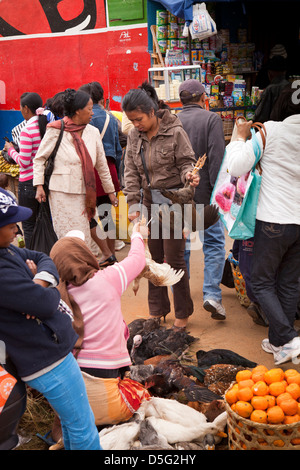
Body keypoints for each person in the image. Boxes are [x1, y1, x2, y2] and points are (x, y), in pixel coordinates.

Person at [0, 188, 101, 450]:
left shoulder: (7, 251)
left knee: (72, 423)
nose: (17, 229)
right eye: (10, 224)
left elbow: (43, 257)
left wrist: (38, 280)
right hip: (46, 360)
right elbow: (47, 303)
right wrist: (44, 288)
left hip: (48, 351)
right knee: (82, 425)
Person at [226, 83, 300, 365]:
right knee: (289, 281)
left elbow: (236, 167)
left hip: (274, 220)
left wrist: (238, 138)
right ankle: (280, 342)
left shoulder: (269, 131)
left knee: (260, 280)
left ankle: (288, 337)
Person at [50, 224, 151, 427]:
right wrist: (138, 235)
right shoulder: (107, 279)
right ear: (86, 255)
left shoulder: (55, 295)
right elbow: (138, 260)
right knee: (142, 395)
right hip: (105, 372)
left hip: (70, 374)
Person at [122, 86, 199, 330]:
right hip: (147, 201)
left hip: (173, 200)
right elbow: (131, 171)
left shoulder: (175, 131)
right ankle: (158, 310)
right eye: (132, 120)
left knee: (174, 259)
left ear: (152, 112)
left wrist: (190, 174)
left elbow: (187, 162)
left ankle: (183, 312)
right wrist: (133, 204)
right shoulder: (134, 136)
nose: (136, 124)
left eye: (139, 119)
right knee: (151, 261)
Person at [33, 88, 118, 254]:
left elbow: (101, 165)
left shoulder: (92, 132)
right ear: (78, 111)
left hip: (86, 192)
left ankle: (87, 265)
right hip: (62, 193)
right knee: (70, 236)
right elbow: (39, 159)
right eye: (89, 109)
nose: (92, 113)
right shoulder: (56, 130)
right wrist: (39, 185)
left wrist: (110, 191)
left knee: (85, 231)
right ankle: (72, 267)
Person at [178, 79, 227, 320]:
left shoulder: (173, 120)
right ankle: (211, 296)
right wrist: (219, 193)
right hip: (207, 193)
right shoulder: (211, 119)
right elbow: (217, 158)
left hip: (181, 194)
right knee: (215, 244)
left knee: (184, 246)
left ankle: (182, 294)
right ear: (202, 97)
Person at [78, 81, 122, 267]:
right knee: (107, 215)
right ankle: (111, 254)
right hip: (108, 171)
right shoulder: (111, 118)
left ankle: (97, 253)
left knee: (86, 215)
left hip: (89, 172)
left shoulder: (83, 117)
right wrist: (117, 175)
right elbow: (118, 149)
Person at [4, 92, 48, 248]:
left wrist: (10, 150)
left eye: (21, 108)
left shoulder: (27, 129)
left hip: (28, 182)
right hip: (44, 180)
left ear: (26, 108)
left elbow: (23, 162)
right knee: (43, 222)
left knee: (28, 226)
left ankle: (32, 257)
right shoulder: (46, 124)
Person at [253, 55, 289, 123]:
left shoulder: (270, 89)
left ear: (270, 73)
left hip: (273, 127)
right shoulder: (290, 86)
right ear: (285, 72)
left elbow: (261, 115)